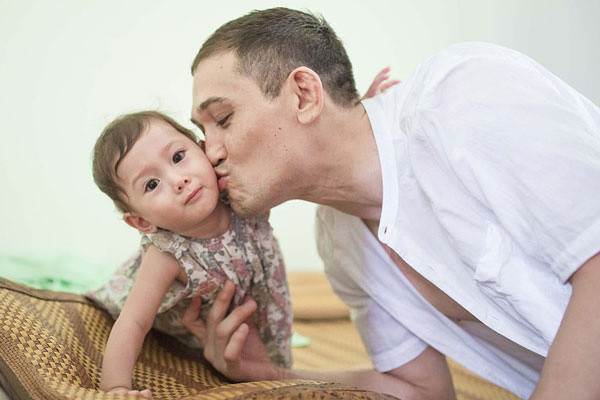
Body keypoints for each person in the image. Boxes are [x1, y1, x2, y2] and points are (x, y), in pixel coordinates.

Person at [184, 7, 600, 400]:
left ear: (304, 95)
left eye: (223, 119)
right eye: (203, 132)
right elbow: (421, 390)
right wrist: (270, 374)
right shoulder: (339, 242)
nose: (209, 153)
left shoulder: (461, 94)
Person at [87, 111, 292, 398]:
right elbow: (133, 322)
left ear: (202, 148)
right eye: (152, 184)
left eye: (178, 157)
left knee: (278, 370)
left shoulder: (240, 193)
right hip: (191, 324)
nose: (178, 180)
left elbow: (279, 152)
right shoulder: (169, 255)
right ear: (142, 222)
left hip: (259, 309)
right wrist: (116, 387)